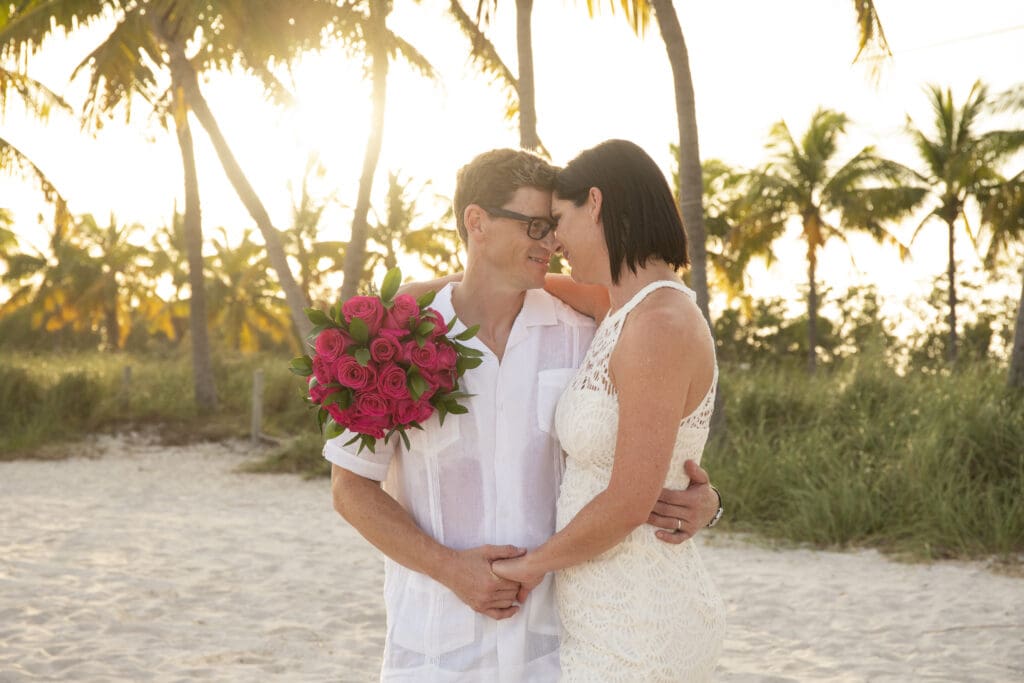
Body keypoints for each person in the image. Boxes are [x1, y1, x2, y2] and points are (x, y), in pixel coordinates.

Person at [325, 148, 722, 682]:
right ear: (476, 222)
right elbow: (350, 489)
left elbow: (640, 443)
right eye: (536, 225)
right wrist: (452, 570)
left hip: (559, 645)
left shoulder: (590, 335)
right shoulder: (388, 342)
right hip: (436, 644)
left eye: (554, 224)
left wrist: (705, 499)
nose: (552, 242)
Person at [492, 139, 727, 681]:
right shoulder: (623, 309)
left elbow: (628, 502)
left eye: (559, 220)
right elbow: (516, 285)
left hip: (641, 621)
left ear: (594, 203)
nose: (554, 241)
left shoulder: (660, 324)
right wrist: (417, 294)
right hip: (605, 613)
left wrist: (527, 567)